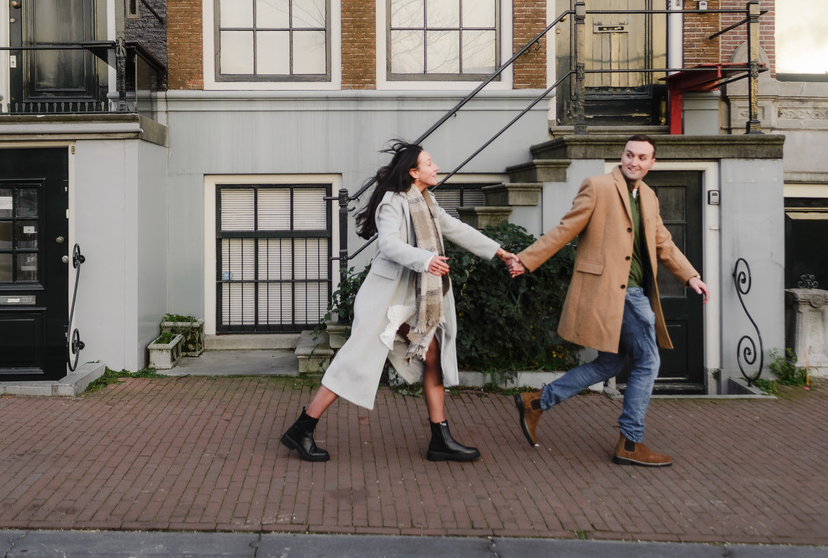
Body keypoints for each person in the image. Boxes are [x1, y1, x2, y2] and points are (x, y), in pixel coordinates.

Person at [281, 140, 522, 463]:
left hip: (415, 300)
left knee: (432, 355)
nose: (436, 167)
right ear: (413, 172)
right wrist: (426, 259)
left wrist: (501, 252)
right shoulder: (393, 203)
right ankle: (302, 428)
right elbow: (390, 245)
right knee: (354, 363)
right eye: (430, 163)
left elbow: (459, 229)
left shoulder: (427, 201)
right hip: (387, 299)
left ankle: (440, 438)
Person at [504, 135, 710, 467]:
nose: (635, 161)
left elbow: (663, 242)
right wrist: (527, 259)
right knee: (647, 362)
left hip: (635, 293)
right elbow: (566, 229)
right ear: (622, 155)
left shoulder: (650, 196)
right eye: (630, 154)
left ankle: (537, 402)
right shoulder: (597, 187)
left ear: (651, 163)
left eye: (643, 157)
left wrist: (691, 276)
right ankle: (630, 441)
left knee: (609, 364)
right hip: (617, 293)